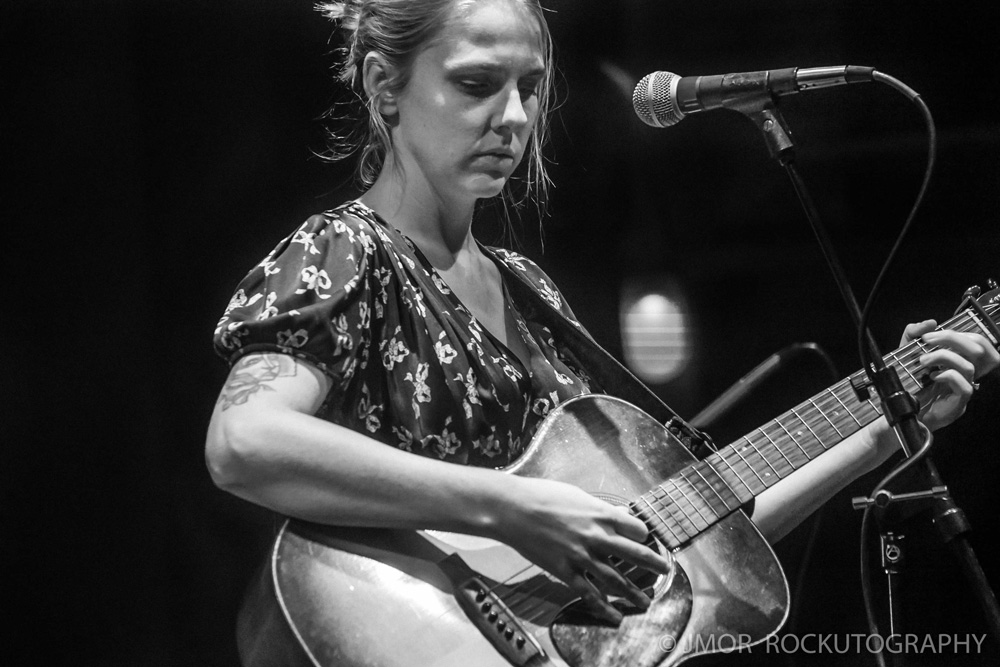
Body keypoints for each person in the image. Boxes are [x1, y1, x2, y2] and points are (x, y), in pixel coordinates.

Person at [206, 0, 997, 639]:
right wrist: (512, 509)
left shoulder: (531, 293)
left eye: (530, 87)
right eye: (476, 83)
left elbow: (686, 541)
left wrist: (886, 428)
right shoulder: (349, 249)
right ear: (386, 86)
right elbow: (245, 442)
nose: (513, 116)